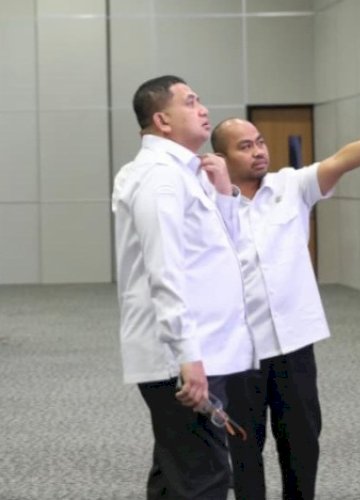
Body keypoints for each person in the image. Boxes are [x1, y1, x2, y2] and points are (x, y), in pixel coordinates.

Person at [210, 115, 360, 500]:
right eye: (245, 146)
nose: (259, 151)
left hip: (294, 344)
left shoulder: (289, 186)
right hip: (241, 352)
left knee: (302, 444)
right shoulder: (209, 206)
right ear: (221, 157)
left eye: (260, 141)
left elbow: (341, 160)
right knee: (244, 450)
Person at [111, 75, 256, 499]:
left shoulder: (188, 173)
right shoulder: (160, 177)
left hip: (201, 349)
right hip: (185, 357)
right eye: (190, 102)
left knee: (176, 475)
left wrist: (225, 195)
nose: (203, 108)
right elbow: (165, 269)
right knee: (204, 479)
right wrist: (187, 356)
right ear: (162, 120)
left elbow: (222, 252)